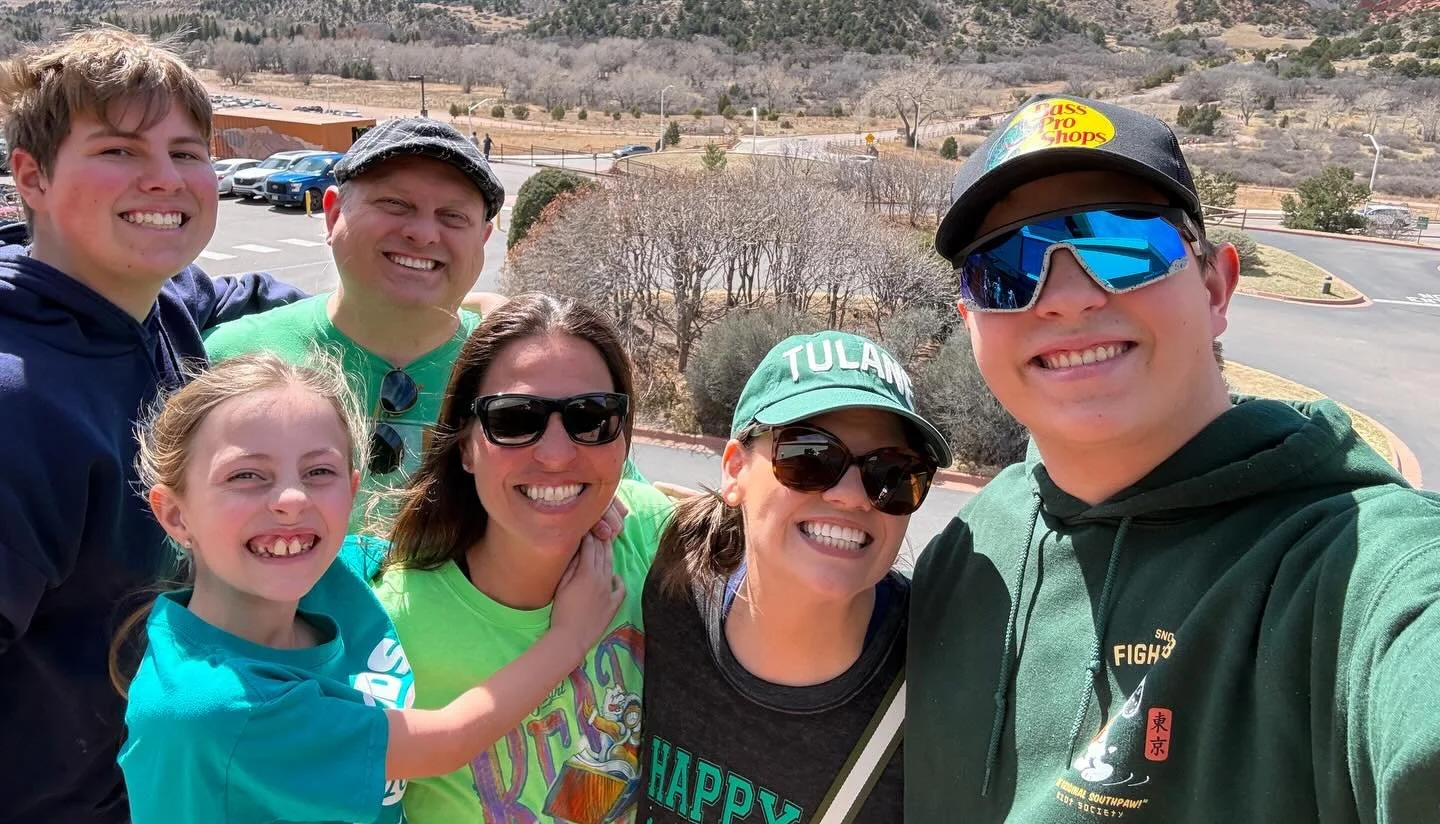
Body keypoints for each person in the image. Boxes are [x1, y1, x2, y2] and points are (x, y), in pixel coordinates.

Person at [908, 93, 1440, 821]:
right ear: (972, 321)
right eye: (1006, 268)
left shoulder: (1347, 569)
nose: (1064, 298)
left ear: (1217, 284)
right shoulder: (970, 552)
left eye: (1122, 245)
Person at [0, 28, 305, 824]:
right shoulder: (19, 403)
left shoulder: (156, 306)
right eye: (120, 151)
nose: (165, 179)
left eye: (185, 151)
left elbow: (242, 293)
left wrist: (463, 314)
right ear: (30, 176)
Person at [118, 352, 625, 823]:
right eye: (248, 475)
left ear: (352, 490)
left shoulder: (336, 571)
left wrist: (568, 503)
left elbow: (441, 536)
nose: (291, 499)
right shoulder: (219, 705)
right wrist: (569, 638)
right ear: (175, 514)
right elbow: (447, 741)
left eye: (319, 471)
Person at [375, 293, 675, 821]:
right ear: (465, 446)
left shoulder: (653, 537)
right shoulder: (391, 624)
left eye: (592, 418)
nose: (557, 454)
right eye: (514, 420)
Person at [638, 330, 948, 823]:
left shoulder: (943, 689)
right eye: (809, 456)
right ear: (735, 470)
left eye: (890, 473)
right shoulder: (655, 591)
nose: (851, 496)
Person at [205, 117, 509, 523]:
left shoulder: (521, 372)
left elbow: (614, 505)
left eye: (453, 216)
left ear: (483, 240)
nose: (423, 233)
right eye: (395, 205)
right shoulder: (226, 360)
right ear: (332, 216)